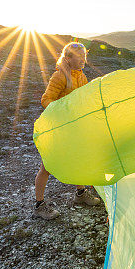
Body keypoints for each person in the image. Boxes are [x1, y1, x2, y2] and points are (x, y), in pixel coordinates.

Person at [34, 42, 101, 220]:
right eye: (79, 58)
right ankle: (39, 206)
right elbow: (46, 100)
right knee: (46, 167)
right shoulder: (60, 76)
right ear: (68, 58)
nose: (83, 61)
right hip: (58, 127)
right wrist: (64, 110)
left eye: (84, 57)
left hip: (74, 127)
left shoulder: (82, 76)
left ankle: (80, 194)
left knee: (78, 158)